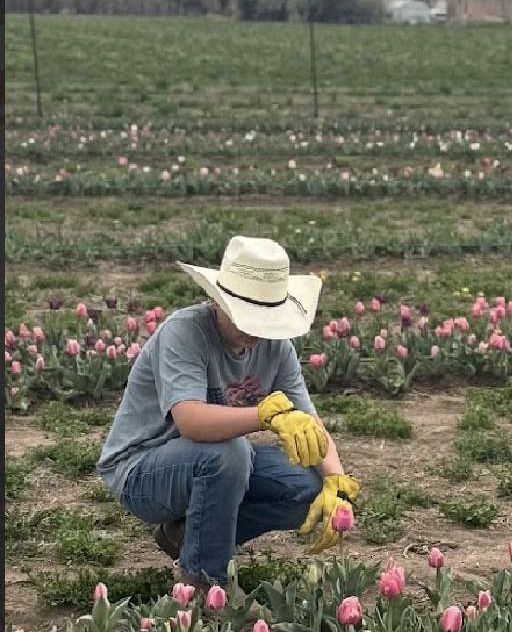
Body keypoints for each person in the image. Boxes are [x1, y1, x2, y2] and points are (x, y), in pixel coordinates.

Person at [97, 236, 359, 587]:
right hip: (143, 471)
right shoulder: (184, 333)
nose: (256, 329)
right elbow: (190, 421)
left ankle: (188, 535)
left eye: (265, 319)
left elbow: (311, 424)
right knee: (228, 452)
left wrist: (336, 482)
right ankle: (205, 584)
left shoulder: (275, 347)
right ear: (217, 302)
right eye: (247, 317)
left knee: (308, 485)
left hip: (215, 463)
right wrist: (264, 416)